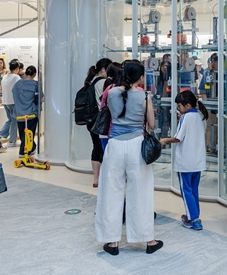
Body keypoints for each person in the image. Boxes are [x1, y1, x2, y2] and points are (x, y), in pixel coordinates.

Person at [95, 61, 163, 255]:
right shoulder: (145, 96)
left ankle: (112, 242)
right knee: (141, 192)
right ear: (140, 77)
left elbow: (109, 114)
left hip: (115, 146)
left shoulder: (111, 92)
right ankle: (148, 240)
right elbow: (151, 124)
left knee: (110, 192)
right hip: (136, 146)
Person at [160, 90, 208, 231]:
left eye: (179, 106)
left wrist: (164, 140)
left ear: (187, 105)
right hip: (198, 161)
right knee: (194, 190)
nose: (178, 109)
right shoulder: (201, 116)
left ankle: (193, 219)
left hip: (185, 162)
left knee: (186, 191)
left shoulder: (185, 118)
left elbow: (178, 138)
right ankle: (195, 215)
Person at [84, 58, 112, 188]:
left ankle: (96, 178)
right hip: (102, 121)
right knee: (104, 148)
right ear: (103, 69)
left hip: (91, 120)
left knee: (96, 147)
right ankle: (104, 177)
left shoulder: (91, 81)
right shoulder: (104, 82)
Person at [12, 66, 39, 157]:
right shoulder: (36, 85)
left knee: (22, 134)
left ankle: (31, 148)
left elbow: (14, 96)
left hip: (19, 113)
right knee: (30, 133)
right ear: (34, 74)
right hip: (31, 113)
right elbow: (40, 97)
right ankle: (23, 152)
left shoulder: (17, 84)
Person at [0, 60, 21, 147]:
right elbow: (21, 88)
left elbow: (0, 88)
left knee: (10, 120)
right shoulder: (16, 77)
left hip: (5, 101)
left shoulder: (5, 77)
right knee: (14, 121)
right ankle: (12, 141)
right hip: (13, 102)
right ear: (17, 69)